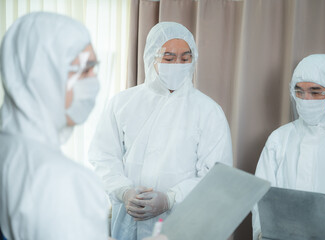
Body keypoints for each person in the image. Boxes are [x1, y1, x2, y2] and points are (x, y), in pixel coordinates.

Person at [89, 22, 233, 240]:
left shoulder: (208, 111)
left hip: (184, 225)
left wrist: (171, 199)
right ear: (151, 57)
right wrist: (124, 192)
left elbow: (216, 175)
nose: (178, 64)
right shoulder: (123, 103)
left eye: (185, 58)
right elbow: (103, 157)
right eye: (168, 58)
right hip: (129, 224)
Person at [0, 12, 109, 239]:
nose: (93, 82)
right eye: (84, 70)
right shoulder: (63, 182)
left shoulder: (9, 147)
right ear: (43, 75)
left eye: (94, 69)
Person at [252, 54, 325, 240]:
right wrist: (266, 233)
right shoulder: (280, 138)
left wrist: (323, 228)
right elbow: (261, 199)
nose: (306, 99)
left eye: (315, 91)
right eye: (299, 92)